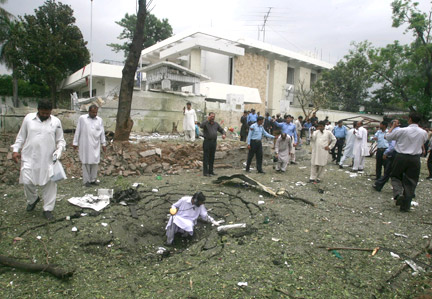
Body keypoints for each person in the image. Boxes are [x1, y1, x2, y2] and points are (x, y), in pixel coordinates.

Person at [11, 100, 66, 220]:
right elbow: (21, 136)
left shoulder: (56, 122)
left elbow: (61, 140)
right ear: (38, 110)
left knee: (50, 184)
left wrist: (59, 151)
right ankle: (33, 199)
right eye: (43, 113)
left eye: (48, 113)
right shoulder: (28, 119)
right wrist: (16, 150)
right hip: (30, 157)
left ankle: (48, 209)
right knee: (27, 181)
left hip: (48, 159)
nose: (45, 115)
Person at [385, 112, 428, 212]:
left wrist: (392, 127)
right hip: (415, 158)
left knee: (395, 176)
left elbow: (387, 137)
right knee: (411, 180)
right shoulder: (423, 132)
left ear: (409, 119)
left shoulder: (402, 130)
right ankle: (405, 206)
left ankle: (398, 194)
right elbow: (424, 142)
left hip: (401, 156)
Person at [73, 105, 107, 187]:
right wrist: (75, 142)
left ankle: (93, 179)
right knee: (86, 162)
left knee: (95, 162)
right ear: (89, 111)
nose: (95, 114)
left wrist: (104, 143)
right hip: (85, 144)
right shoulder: (82, 118)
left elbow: (102, 133)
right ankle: (86, 181)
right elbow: (78, 130)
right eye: (93, 112)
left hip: (96, 144)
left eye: (96, 112)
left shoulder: (99, 120)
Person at [373, 119, 400, 192]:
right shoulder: (379, 132)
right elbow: (373, 137)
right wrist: (373, 138)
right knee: (379, 165)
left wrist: (386, 152)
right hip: (381, 149)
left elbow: (390, 142)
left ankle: (382, 181)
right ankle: (379, 178)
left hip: (388, 151)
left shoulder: (393, 131)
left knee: (387, 167)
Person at [200, 112, 226, 177]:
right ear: (209, 117)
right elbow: (201, 126)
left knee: (212, 157)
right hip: (207, 142)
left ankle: (211, 171)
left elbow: (222, 130)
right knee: (206, 157)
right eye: (211, 116)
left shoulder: (216, 124)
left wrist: (223, 134)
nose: (212, 118)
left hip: (213, 142)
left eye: (213, 116)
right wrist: (207, 120)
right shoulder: (206, 123)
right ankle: (205, 172)